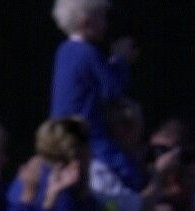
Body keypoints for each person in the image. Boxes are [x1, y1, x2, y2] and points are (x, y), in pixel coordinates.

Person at [49, 0, 135, 157]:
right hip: (89, 138)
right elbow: (113, 90)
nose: (106, 24)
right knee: (126, 169)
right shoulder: (88, 53)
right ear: (86, 21)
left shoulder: (63, 51)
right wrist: (120, 59)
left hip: (61, 136)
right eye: (102, 17)